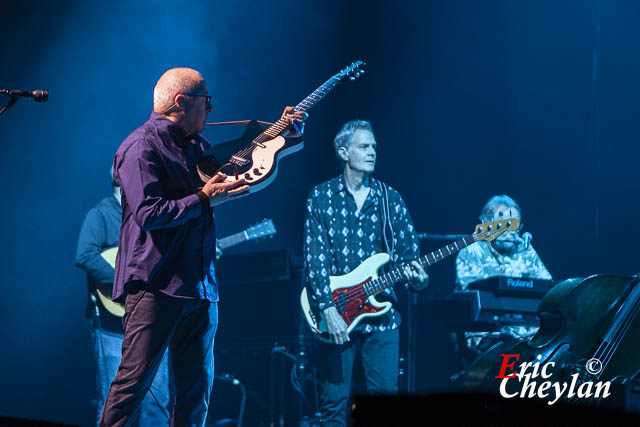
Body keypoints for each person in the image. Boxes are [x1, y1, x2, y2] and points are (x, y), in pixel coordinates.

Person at [99, 67, 305, 426]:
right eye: (206, 102)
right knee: (133, 384)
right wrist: (203, 197)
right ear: (182, 102)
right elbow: (149, 214)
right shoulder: (139, 147)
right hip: (156, 286)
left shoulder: (196, 146)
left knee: (196, 391)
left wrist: (281, 134)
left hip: (199, 285)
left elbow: (238, 159)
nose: (211, 110)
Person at [303, 120, 428, 426]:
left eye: (374, 146)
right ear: (344, 151)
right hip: (337, 312)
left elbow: (408, 256)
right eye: (364, 146)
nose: (372, 151)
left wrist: (418, 278)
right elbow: (315, 258)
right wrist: (328, 308)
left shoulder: (390, 199)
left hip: (383, 317)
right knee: (334, 405)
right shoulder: (320, 197)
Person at [75, 167, 173, 426]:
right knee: (115, 401)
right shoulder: (100, 215)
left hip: (150, 324)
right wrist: (123, 282)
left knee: (156, 400)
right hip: (111, 327)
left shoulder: (148, 218)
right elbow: (85, 256)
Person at [454, 195, 552, 363]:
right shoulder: (471, 252)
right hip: (489, 335)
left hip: (529, 335)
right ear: (486, 222)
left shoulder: (525, 251)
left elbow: (550, 290)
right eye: (504, 225)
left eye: (515, 226)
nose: (511, 232)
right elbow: (473, 299)